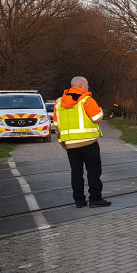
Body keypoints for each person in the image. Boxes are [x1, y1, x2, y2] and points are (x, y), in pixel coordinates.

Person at [54, 76, 111, 208]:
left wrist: (61, 141)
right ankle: (95, 198)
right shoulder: (86, 100)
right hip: (88, 142)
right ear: (80, 86)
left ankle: (79, 200)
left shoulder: (59, 103)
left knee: (76, 172)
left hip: (70, 144)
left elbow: (57, 125)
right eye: (87, 85)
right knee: (93, 171)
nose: (88, 87)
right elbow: (97, 118)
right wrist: (101, 110)